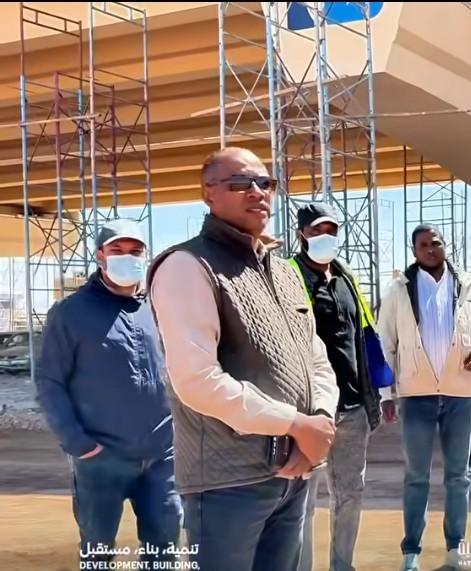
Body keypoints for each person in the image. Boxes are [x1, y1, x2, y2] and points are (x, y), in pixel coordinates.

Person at [149, 147, 340, 571]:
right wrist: (295, 424)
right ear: (208, 194)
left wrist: (320, 422)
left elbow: (316, 357)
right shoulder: (188, 266)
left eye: (264, 183)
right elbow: (197, 380)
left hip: (293, 471)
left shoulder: (283, 270)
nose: (256, 192)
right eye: (239, 183)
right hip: (227, 483)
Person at [36, 219, 181, 566]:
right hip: (101, 459)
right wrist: (79, 444)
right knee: (98, 551)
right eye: (117, 250)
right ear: (100, 255)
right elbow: (50, 382)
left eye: (135, 251)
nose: (127, 257)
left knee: (165, 548)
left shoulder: (157, 308)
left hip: (161, 457)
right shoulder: (71, 313)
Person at [378, 223, 471, 571]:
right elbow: (385, 343)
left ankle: (456, 548)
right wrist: (386, 394)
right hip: (416, 395)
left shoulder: (470, 284)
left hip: (459, 393)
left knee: (458, 476)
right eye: (423, 244)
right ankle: (412, 551)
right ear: (414, 251)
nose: (430, 249)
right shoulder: (398, 290)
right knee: (416, 477)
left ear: (444, 245)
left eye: (435, 242)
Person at [290, 203, 390, 571]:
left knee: (350, 493)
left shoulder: (346, 278)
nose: (325, 236)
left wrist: (379, 393)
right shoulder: (288, 277)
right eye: (317, 230)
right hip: (311, 410)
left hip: (352, 408)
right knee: (301, 501)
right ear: (302, 234)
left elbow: (365, 337)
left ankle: (341, 565)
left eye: (331, 230)